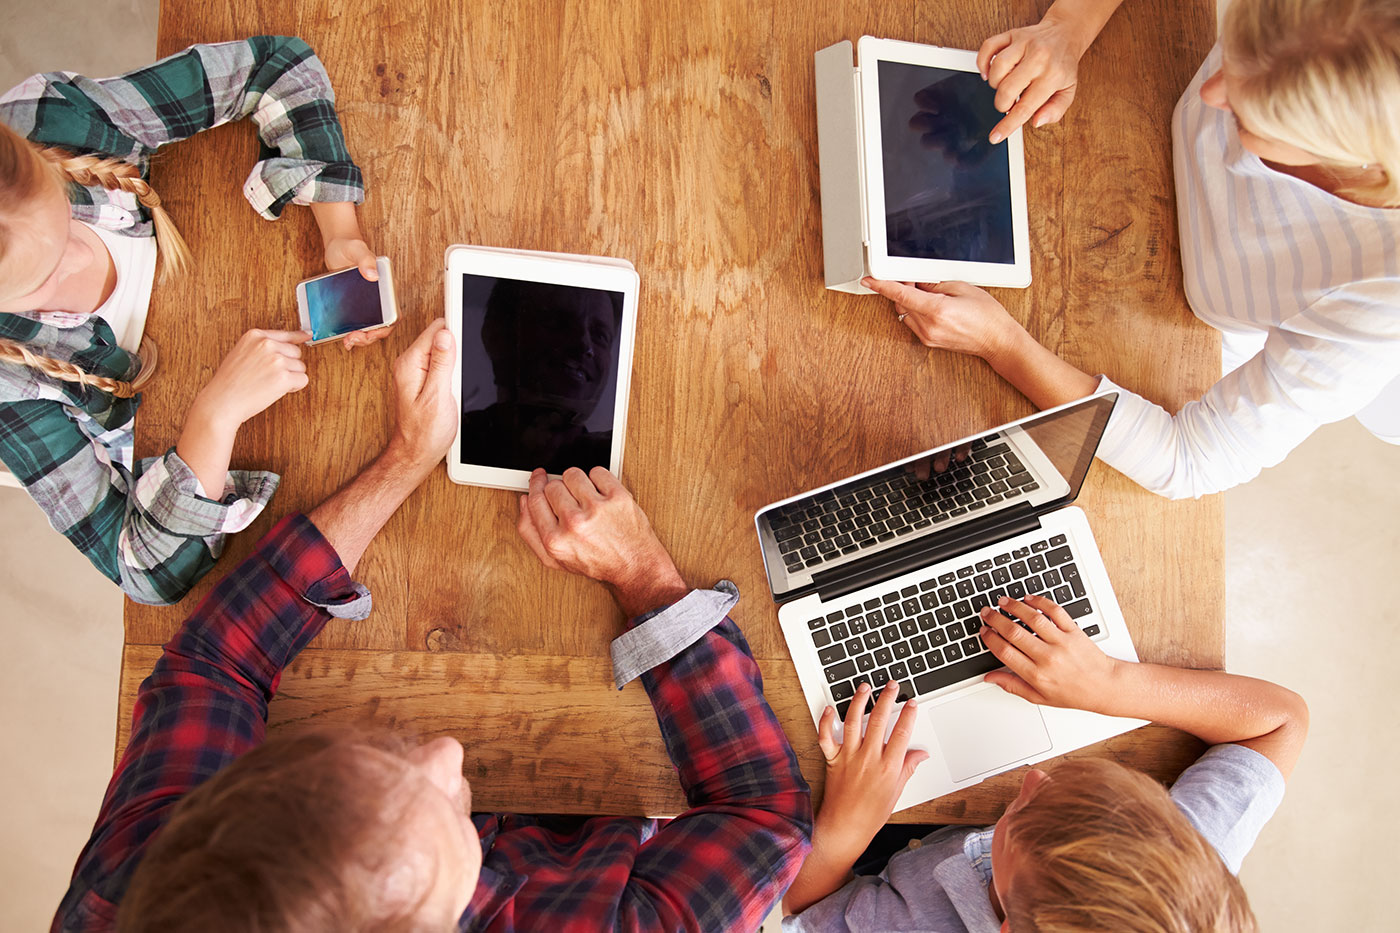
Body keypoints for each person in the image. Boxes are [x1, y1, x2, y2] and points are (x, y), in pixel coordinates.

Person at [51, 319, 812, 932]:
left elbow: (214, 665)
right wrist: (648, 579)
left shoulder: (147, 888)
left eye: (367, 761)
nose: (447, 752)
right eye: (446, 815)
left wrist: (405, 459)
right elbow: (766, 817)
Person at [865, 0, 1400, 499]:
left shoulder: (1380, 304)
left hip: (1200, 320)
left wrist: (1003, 344)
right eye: (1236, 53)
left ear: (1360, 161)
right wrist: (1068, 29)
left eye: (1250, 111)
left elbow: (1192, 461)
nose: (1212, 93)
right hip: (1144, 128)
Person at [0, 36, 389, 605]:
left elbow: (277, 66)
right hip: (189, 442)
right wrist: (214, 415)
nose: (80, 259)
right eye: (39, 283)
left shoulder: (52, 120)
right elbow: (143, 572)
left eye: (62, 219)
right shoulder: (11, 387)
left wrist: (340, 231)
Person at [780, 592, 1308, 932]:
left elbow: (794, 918)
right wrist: (1109, 684)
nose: (1033, 778)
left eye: (1021, 815)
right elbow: (1280, 722)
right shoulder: (1180, 865)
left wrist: (843, 829)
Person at [460, 278, 622, 474]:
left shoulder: (615, 467)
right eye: (558, 323)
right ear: (496, 336)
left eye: (600, 335)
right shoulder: (451, 441)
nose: (584, 345)